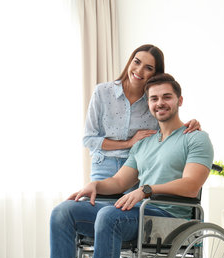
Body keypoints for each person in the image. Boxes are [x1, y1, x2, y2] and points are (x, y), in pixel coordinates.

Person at [17, 73, 214, 258]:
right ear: (149, 103)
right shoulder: (143, 143)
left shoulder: (195, 138)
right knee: (64, 212)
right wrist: (96, 186)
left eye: (167, 97)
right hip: (143, 214)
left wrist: (146, 190)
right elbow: (121, 182)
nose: (160, 103)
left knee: (110, 216)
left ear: (179, 100)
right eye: (154, 98)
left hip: (172, 218)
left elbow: (190, 185)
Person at [83, 44, 201, 182]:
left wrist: (190, 125)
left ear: (155, 74)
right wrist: (128, 143)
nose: (139, 70)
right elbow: (89, 140)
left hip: (138, 168)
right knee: (90, 202)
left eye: (148, 68)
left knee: (126, 204)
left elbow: (167, 127)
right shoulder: (102, 92)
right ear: (130, 61)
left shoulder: (153, 101)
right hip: (104, 165)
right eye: (137, 62)